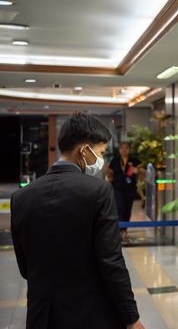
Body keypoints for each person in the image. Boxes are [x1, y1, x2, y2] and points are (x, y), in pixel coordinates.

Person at [10, 113, 144, 329]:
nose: (101, 159)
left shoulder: (21, 197)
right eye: (100, 152)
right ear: (84, 150)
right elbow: (111, 262)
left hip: (41, 315)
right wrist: (132, 318)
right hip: (89, 314)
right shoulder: (98, 191)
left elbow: (25, 267)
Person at [106, 142, 141, 238]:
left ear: (129, 150)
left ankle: (124, 229)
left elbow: (142, 172)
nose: (124, 150)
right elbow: (110, 173)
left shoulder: (134, 160)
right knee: (119, 207)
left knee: (128, 208)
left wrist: (137, 171)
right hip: (117, 188)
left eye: (126, 148)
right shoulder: (115, 160)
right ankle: (120, 229)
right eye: (122, 148)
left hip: (130, 188)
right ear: (119, 150)